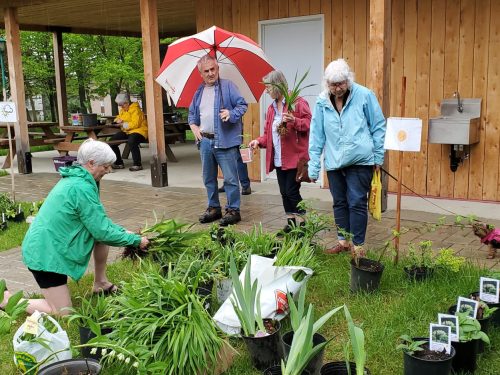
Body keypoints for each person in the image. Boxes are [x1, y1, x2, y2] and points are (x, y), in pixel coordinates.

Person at [0, 139, 149, 315]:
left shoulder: (81, 178)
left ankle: (100, 283)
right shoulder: (81, 187)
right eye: (106, 166)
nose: (109, 170)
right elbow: (102, 231)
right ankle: (7, 300)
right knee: (63, 312)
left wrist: (123, 232)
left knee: (102, 235)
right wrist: (135, 240)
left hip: (52, 246)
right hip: (46, 255)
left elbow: (98, 222)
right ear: (91, 163)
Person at [308, 58, 386, 256]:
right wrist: (314, 166)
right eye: (333, 85)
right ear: (327, 84)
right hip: (334, 161)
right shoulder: (322, 101)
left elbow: (378, 126)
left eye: (341, 83)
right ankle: (343, 242)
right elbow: (317, 134)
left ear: (348, 79)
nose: (338, 88)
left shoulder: (365, 95)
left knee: (357, 202)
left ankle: (358, 246)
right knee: (339, 202)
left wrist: (378, 157)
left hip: (360, 160)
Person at [188, 54, 248, 226]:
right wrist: (193, 126)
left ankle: (233, 210)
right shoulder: (199, 92)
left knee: (230, 179)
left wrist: (231, 113)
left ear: (218, 69)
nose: (210, 73)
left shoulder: (228, 86)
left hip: (225, 141)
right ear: (201, 73)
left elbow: (242, 105)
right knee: (208, 178)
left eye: (213, 69)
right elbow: (192, 114)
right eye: (206, 71)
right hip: (205, 142)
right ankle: (214, 208)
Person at [249, 70, 311, 232]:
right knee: (284, 192)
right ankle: (291, 224)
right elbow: (268, 134)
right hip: (278, 159)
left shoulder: (297, 102)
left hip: (294, 158)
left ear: (277, 85)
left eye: (268, 87)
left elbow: (309, 124)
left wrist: (295, 121)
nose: (266, 91)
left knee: (291, 191)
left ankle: (304, 224)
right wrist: (258, 141)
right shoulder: (271, 109)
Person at [110, 93, 148, 171]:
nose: (121, 106)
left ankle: (137, 164)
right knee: (112, 141)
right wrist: (117, 121)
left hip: (139, 131)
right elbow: (118, 117)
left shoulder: (136, 109)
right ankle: (119, 163)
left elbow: (135, 124)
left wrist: (122, 124)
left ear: (127, 102)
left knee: (132, 141)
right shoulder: (123, 110)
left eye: (122, 104)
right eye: (119, 105)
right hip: (127, 131)